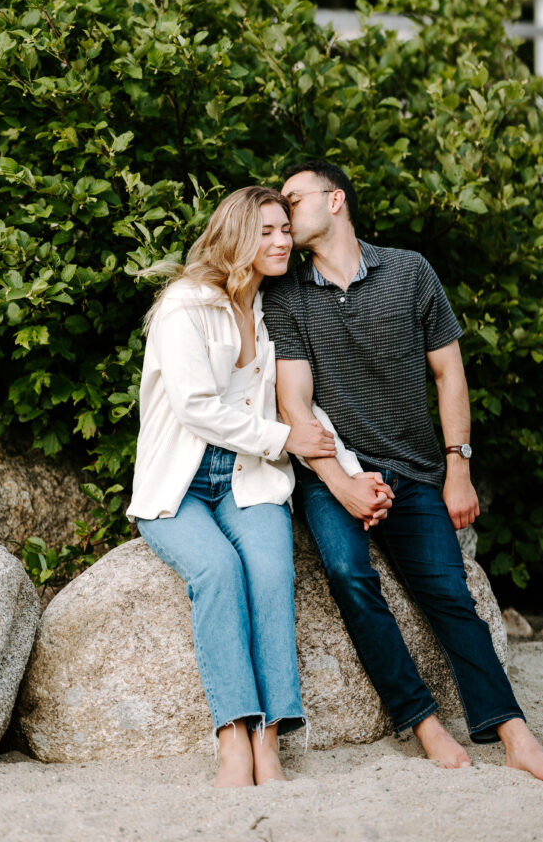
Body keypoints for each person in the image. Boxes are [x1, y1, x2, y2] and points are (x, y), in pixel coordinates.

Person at [262, 162, 543, 782]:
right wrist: (343, 484)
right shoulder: (287, 295)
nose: (286, 213)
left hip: (415, 469)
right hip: (336, 472)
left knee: (450, 596)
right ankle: (423, 723)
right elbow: (293, 404)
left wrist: (459, 470)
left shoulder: (409, 270)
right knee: (350, 575)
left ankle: (513, 731)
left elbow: (449, 373)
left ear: (336, 200)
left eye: (294, 199)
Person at [127, 186, 353, 789]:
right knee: (218, 573)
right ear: (235, 236)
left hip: (248, 477)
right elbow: (197, 408)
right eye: (267, 231)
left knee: (273, 575)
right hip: (181, 482)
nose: (281, 241)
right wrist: (284, 439)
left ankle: (269, 739)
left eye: (285, 229)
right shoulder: (186, 306)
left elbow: (301, 402)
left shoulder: (270, 308)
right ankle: (233, 736)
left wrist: (349, 470)